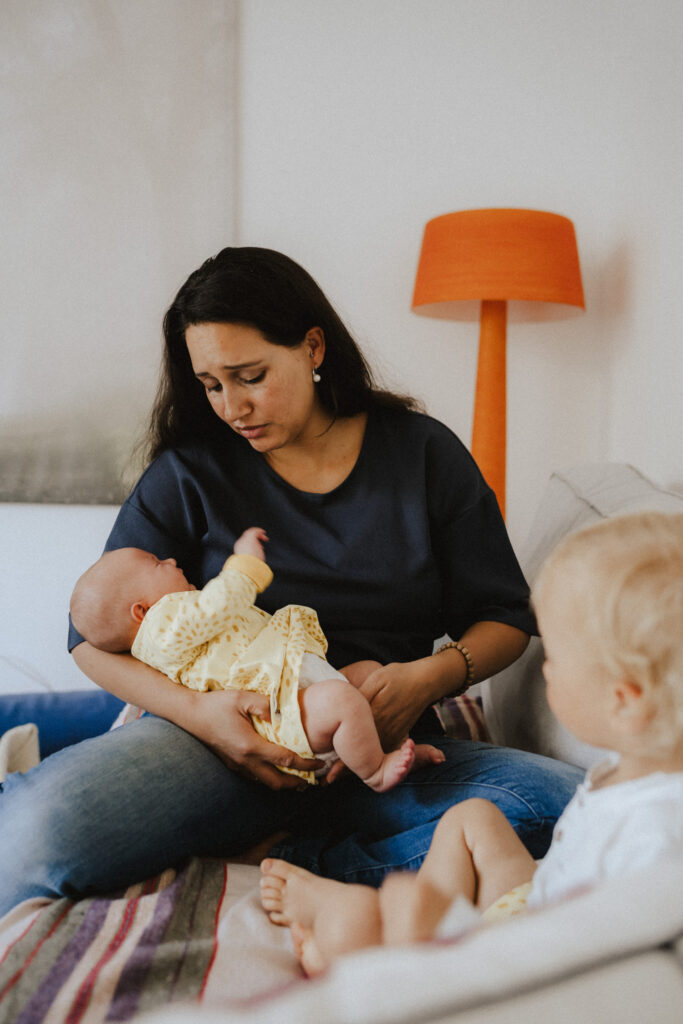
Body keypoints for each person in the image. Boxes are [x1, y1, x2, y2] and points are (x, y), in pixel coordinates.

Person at [0, 246, 582, 916]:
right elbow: (88, 639)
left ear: (311, 347)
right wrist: (207, 720)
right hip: (219, 745)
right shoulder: (192, 472)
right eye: (211, 385)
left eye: (249, 376)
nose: (231, 407)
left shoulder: (421, 454)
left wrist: (429, 677)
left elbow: (505, 618)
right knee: (33, 834)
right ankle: (280, 834)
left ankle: (298, 858)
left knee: (570, 808)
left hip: (379, 748)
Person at [260, 511, 683, 975]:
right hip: (540, 904)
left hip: (534, 957)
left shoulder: (656, 837)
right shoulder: (634, 769)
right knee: (474, 819)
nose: (546, 669)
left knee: (398, 904)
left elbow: (598, 969)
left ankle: (357, 939)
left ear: (625, 703)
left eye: (557, 658)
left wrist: (467, 931)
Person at [69, 527, 443, 792]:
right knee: (343, 701)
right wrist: (243, 562)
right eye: (155, 563)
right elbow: (221, 604)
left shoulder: (177, 619)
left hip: (296, 681)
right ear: (141, 611)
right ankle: (375, 773)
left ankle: (390, 750)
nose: (169, 559)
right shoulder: (164, 629)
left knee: (368, 674)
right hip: (280, 715)